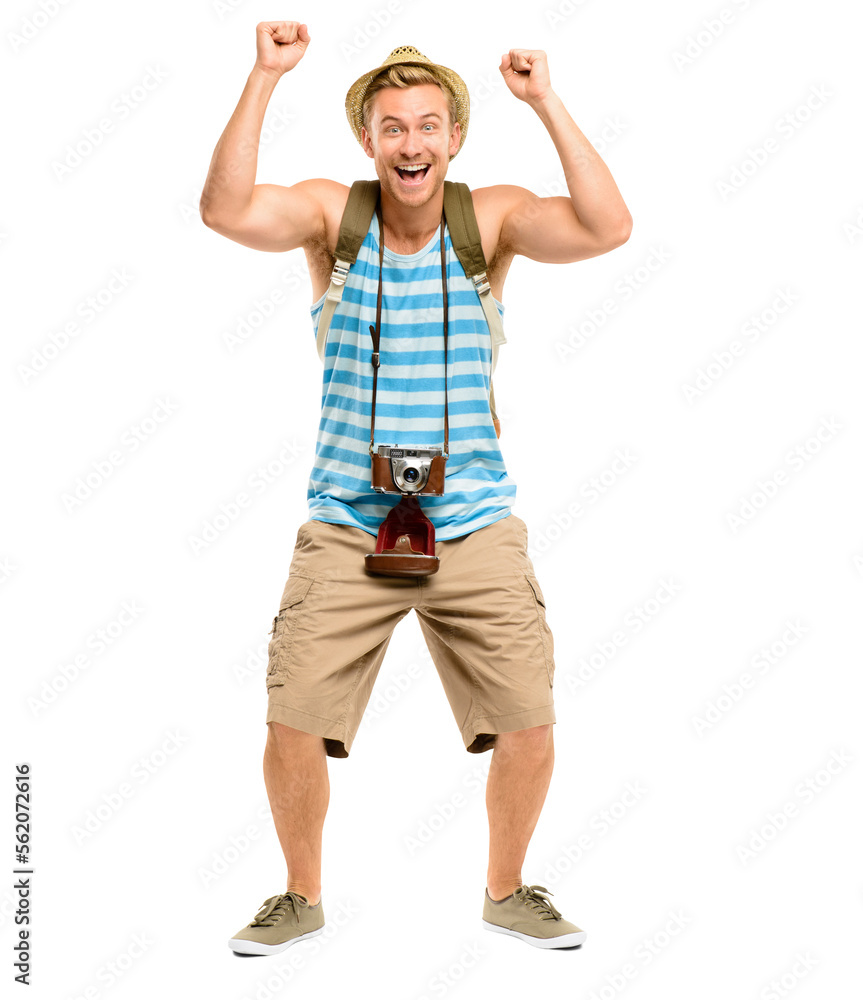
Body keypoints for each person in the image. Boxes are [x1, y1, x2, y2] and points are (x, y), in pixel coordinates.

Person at [200, 20, 631, 955]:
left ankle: (507, 889)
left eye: (428, 126)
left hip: (472, 522)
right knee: (290, 719)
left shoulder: (489, 222)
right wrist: (264, 76)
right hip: (349, 525)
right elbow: (226, 211)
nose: (410, 144)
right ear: (368, 140)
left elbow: (608, 227)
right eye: (392, 127)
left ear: (453, 140)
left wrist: (545, 101)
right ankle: (299, 896)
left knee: (529, 720)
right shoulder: (332, 219)